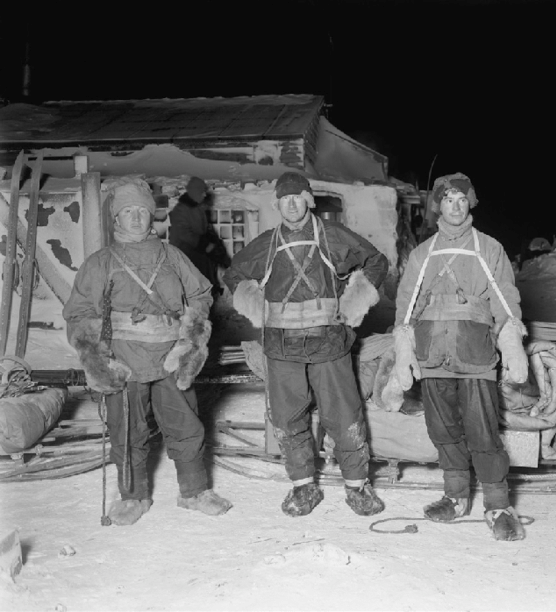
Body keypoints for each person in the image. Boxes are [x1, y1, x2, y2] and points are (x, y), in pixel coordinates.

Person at [63, 177, 232, 526]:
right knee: (127, 429)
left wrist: (190, 342)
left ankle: (194, 491)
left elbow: (201, 295)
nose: (137, 219)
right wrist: (98, 361)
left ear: (152, 215)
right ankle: (133, 496)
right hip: (123, 358)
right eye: (128, 212)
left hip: (171, 355)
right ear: (116, 219)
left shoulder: (172, 256)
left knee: (186, 424)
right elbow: (80, 314)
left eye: (142, 211)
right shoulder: (100, 263)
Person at [223, 171, 388, 517]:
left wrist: (355, 301)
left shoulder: (332, 237)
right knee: (287, 418)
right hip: (282, 348)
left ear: (309, 200)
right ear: (277, 204)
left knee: (344, 415)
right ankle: (303, 487)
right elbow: (234, 274)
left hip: (329, 344)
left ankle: (358, 486)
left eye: (298, 196)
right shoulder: (267, 244)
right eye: (285, 198)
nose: (292, 204)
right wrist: (256, 306)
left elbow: (376, 261)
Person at [389, 172, 529, 541]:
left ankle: (498, 504)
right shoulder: (423, 254)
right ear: (438, 205)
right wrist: (404, 347)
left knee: (483, 431)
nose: (455, 205)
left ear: (470, 204)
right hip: (433, 355)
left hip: (475, 355)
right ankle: (455, 496)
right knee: (443, 430)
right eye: (448, 199)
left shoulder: (489, 249)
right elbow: (407, 307)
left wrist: (511, 341)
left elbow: (506, 302)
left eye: (461, 199)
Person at [168, 176, 228, 295]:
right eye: (202, 192)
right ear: (195, 192)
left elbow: (204, 228)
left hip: (197, 249)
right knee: (195, 279)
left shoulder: (198, 207)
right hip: (185, 252)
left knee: (208, 268)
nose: (205, 195)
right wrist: (204, 244)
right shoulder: (180, 210)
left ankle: (210, 295)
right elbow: (183, 233)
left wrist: (213, 242)